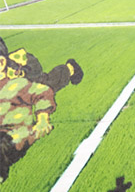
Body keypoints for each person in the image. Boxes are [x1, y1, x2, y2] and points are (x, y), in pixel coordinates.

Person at [0, 39, 82, 183]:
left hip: (14, 134)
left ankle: (70, 69)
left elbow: (42, 92)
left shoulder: (16, 83)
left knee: (43, 82)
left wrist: (42, 120)